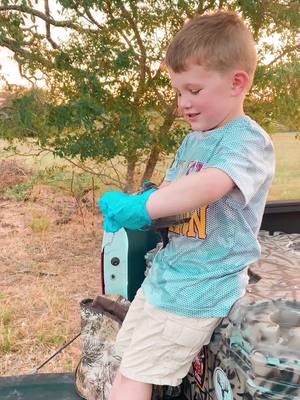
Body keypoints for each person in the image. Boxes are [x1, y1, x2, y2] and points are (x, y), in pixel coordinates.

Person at [99, 11, 275, 400]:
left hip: (202, 285)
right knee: (126, 362)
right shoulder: (194, 139)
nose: (184, 103)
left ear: (237, 83)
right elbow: (179, 197)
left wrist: (146, 205)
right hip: (168, 276)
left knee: (136, 376)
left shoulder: (247, 140)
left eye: (194, 90)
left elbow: (209, 185)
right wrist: (149, 202)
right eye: (178, 92)